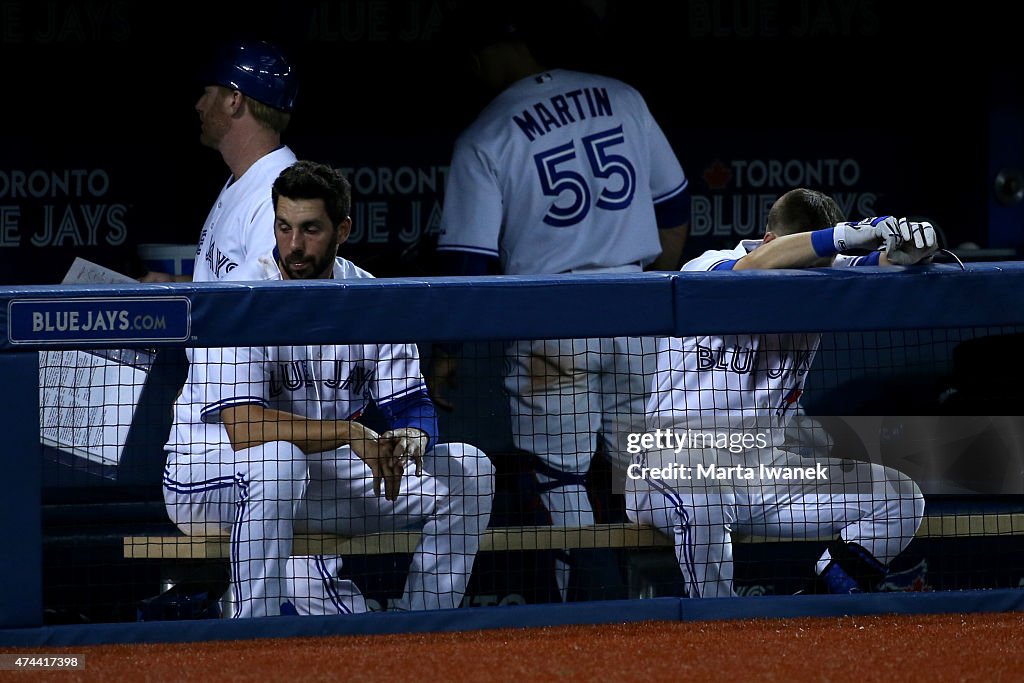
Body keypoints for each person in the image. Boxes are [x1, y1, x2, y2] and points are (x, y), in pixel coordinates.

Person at [429, 1, 690, 601]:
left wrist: (446, 352)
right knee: (649, 473)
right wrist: (650, 294)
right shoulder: (621, 96)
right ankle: (668, 608)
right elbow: (674, 209)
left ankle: (590, 614)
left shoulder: (486, 134)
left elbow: (469, 265)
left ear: (477, 58)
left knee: (559, 479)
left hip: (552, 321)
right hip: (637, 309)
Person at [162, 160, 496, 617]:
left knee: (471, 472)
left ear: (342, 229)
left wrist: (413, 437)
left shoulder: (370, 297)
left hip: (315, 477)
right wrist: (349, 433)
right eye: (284, 227)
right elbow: (244, 428)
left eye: (310, 229)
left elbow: (413, 404)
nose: (294, 245)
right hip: (207, 474)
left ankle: (422, 630)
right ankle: (248, 634)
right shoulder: (240, 294)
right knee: (278, 459)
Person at [627, 188, 935, 598]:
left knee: (899, 498)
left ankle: (812, 616)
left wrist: (907, 252)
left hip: (766, 471)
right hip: (671, 465)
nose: (815, 274)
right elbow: (749, 269)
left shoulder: (828, 270)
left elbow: (876, 264)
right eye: (808, 261)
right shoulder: (709, 264)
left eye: (822, 265)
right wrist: (838, 238)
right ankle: (718, 628)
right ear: (773, 241)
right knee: (703, 498)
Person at [140, 39, 299, 283]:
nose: (199, 105)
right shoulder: (247, 176)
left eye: (208, 93)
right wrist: (173, 287)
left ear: (234, 100)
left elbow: (262, 305)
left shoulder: (279, 193)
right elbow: (230, 285)